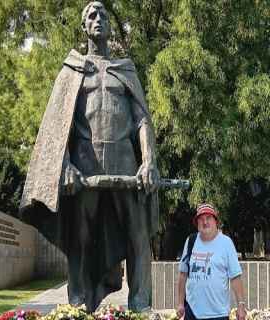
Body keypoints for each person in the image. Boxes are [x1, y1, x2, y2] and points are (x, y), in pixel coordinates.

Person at [20, 1, 159, 312]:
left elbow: (142, 119)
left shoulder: (125, 69)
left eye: (104, 16)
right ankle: (77, 305)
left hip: (126, 162)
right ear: (84, 27)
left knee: (139, 235)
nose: (99, 20)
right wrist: (65, 164)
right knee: (80, 238)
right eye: (92, 16)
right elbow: (59, 125)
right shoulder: (72, 71)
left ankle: (141, 306)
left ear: (110, 27)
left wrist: (148, 160)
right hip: (84, 163)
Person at [177, 204, 246, 320]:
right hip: (192, 313)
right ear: (197, 223)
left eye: (208, 218)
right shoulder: (190, 241)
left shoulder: (226, 243)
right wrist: (180, 303)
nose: (205, 222)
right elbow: (183, 274)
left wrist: (241, 306)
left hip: (218, 314)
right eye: (201, 219)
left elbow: (235, 277)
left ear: (216, 222)